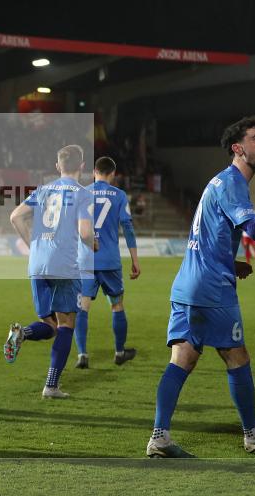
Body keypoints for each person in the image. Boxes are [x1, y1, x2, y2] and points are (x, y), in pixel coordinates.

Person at [147, 115, 255, 457]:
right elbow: (253, 230)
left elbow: (205, 236)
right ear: (238, 148)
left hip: (188, 284)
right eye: (254, 138)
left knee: (183, 358)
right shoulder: (233, 182)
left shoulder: (217, 183)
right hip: (211, 290)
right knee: (237, 356)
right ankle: (253, 433)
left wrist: (231, 262)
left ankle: (159, 437)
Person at [4, 145, 95, 399]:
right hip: (64, 265)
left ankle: (23, 333)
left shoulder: (42, 190)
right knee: (67, 323)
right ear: (82, 165)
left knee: (50, 324)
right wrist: (94, 244)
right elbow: (86, 233)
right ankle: (51, 386)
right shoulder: (83, 193)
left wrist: (32, 243)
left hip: (37, 263)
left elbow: (15, 216)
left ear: (58, 166)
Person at [74, 156, 140, 370]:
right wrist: (135, 260)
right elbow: (127, 227)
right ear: (113, 174)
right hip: (110, 259)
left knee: (83, 307)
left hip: (85, 259)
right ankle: (120, 352)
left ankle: (82, 354)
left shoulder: (82, 194)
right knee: (117, 305)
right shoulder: (119, 195)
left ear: (94, 172)